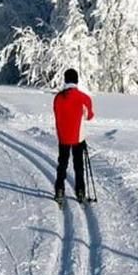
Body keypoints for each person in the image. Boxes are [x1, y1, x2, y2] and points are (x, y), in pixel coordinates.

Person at [53, 67, 94, 202]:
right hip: (78, 136)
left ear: (65, 80)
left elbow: (57, 114)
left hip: (63, 136)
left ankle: (59, 189)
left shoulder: (58, 97)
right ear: (76, 80)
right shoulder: (84, 98)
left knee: (62, 163)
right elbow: (89, 116)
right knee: (78, 165)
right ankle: (80, 191)